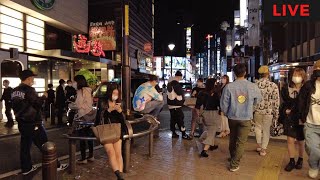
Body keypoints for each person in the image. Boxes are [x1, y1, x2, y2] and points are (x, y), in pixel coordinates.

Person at [11, 70, 68, 175]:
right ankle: (56, 166)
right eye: (32, 78)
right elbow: (37, 104)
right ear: (28, 78)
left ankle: (26, 168)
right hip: (33, 122)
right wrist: (44, 97)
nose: (33, 80)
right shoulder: (29, 90)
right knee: (46, 145)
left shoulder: (14, 91)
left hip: (22, 122)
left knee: (25, 146)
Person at [220, 63, 262, 172]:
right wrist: (251, 108)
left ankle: (234, 157)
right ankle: (234, 163)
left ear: (234, 73)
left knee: (233, 139)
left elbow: (223, 103)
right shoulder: (252, 86)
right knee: (241, 142)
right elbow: (258, 99)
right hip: (246, 118)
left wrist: (226, 112)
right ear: (245, 73)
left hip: (232, 117)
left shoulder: (229, 87)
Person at [279, 68, 306, 172]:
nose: (296, 77)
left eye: (299, 75)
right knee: (290, 140)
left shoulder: (306, 89)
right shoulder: (286, 88)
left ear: (303, 77)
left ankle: (300, 159)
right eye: (295, 74)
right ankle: (291, 161)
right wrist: (285, 110)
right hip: (289, 118)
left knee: (300, 141)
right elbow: (283, 103)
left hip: (301, 118)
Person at [298, 60, 320, 179]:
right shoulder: (308, 86)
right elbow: (301, 102)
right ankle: (313, 166)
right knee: (313, 148)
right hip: (311, 123)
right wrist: (302, 117)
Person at [254, 66, 280, 156]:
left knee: (257, 127)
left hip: (257, 111)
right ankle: (263, 149)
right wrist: (276, 113)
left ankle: (259, 145)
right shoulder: (273, 85)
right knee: (266, 130)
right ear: (268, 74)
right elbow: (276, 101)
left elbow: (252, 99)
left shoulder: (255, 85)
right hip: (268, 112)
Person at [102, 84, 126, 180]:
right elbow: (100, 117)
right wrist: (108, 110)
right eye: (114, 92)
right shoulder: (103, 102)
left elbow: (123, 120)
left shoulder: (120, 103)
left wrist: (120, 111)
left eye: (117, 93)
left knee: (118, 153)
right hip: (106, 131)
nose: (115, 95)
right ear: (109, 92)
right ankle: (119, 175)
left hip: (117, 130)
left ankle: (119, 177)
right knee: (110, 152)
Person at [72, 75, 95, 164]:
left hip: (82, 116)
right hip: (90, 116)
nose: (74, 83)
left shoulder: (80, 91)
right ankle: (91, 156)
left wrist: (73, 105)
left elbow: (78, 104)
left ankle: (83, 158)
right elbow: (89, 103)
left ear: (79, 82)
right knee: (89, 137)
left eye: (75, 81)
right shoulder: (88, 90)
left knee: (82, 137)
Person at [195, 78, 221, 157]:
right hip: (213, 113)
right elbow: (219, 105)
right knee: (212, 130)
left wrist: (199, 114)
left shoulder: (201, 92)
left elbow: (197, 106)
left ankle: (211, 144)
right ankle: (205, 149)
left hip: (204, 113)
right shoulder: (215, 93)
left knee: (209, 129)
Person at [167, 71, 191, 139]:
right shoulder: (175, 83)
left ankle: (173, 133)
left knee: (173, 119)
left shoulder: (169, 83)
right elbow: (179, 92)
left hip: (171, 105)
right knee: (180, 119)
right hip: (176, 104)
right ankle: (183, 134)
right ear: (179, 76)